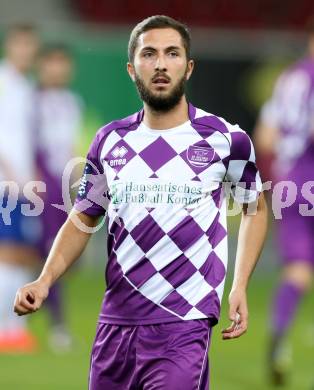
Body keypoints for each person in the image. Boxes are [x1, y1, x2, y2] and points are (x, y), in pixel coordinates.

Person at [14, 15, 267, 389]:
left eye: (172, 53)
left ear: (189, 66)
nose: (161, 64)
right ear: (132, 69)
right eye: (149, 54)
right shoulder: (108, 141)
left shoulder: (226, 140)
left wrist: (239, 284)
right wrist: (45, 279)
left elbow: (255, 208)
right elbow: (84, 218)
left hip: (184, 323)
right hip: (115, 325)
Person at [254, 22, 314, 386]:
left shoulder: (288, 79)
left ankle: (278, 340)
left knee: (298, 270)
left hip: (291, 183)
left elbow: (265, 136)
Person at [35, 44, 82, 350]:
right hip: (37, 182)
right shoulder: (31, 100)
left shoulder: (72, 102)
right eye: (52, 63)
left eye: (62, 64)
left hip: (63, 185)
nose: (57, 70)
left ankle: (33, 317)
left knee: (59, 254)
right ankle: (56, 325)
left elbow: (72, 144)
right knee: (39, 252)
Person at [0, 24, 40, 352]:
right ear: (11, 46)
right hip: (6, 184)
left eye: (30, 46)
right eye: (21, 44)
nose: (26, 51)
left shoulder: (26, 87)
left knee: (22, 253)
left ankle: (13, 327)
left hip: (25, 184)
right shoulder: (3, 82)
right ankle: (6, 328)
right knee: (8, 254)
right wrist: (11, 172)